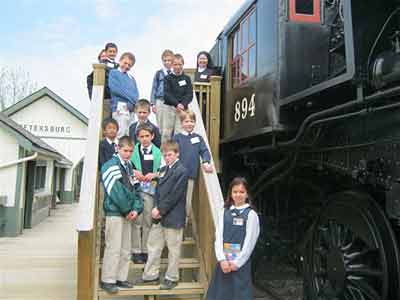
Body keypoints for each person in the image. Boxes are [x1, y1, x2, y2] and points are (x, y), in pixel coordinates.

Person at [137, 141, 188, 290]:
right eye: (165, 155)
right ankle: (150, 275)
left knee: (173, 249)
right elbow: (157, 191)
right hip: (159, 215)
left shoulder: (182, 171)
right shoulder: (164, 169)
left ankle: (172, 277)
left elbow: (175, 195)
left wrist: (160, 209)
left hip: (173, 216)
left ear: (177, 154)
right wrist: (155, 208)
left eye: (170, 154)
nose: (167, 157)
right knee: (153, 245)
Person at [100, 136, 144, 294]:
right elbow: (115, 192)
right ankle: (108, 280)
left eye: (131, 151)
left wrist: (136, 209)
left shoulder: (130, 166)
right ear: (118, 148)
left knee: (126, 248)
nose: (128, 154)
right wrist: (127, 210)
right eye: (125, 150)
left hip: (128, 214)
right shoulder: (110, 165)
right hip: (115, 213)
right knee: (113, 248)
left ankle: (120, 278)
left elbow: (137, 190)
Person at [206, 177, 260, 300]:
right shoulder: (224, 211)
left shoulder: (251, 215)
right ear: (230, 194)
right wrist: (221, 259)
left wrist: (237, 263)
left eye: (242, 192)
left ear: (247, 194)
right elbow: (218, 237)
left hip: (240, 265)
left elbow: (250, 243)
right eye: (235, 192)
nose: (238, 195)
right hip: (224, 264)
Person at [130, 124, 162, 264]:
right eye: (141, 136)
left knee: (148, 221)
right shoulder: (133, 151)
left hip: (150, 189)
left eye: (147, 136)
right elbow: (125, 165)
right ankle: (136, 251)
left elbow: (163, 171)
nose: (144, 139)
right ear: (137, 137)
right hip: (136, 189)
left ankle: (145, 250)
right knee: (137, 221)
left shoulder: (157, 152)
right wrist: (133, 171)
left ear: (152, 136)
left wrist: (153, 174)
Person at [172, 110, 213, 221]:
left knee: (187, 203)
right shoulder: (177, 138)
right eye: (186, 121)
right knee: (176, 200)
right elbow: (171, 155)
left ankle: (183, 226)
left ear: (195, 122)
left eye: (192, 121)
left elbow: (204, 151)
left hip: (190, 176)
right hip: (177, 176)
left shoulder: (198, 138)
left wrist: (205, 162)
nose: (189, 123)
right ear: (181, 123)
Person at [163, 53, 193, 140]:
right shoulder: (167, 78)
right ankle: (165, 152)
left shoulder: (187, 78)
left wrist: (183, 104)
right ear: (172, 65)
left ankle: (178, 152)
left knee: (179, 132)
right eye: (175, 64)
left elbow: (189, 94)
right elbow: (167, 94)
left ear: (183, 64)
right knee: (166, 133)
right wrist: (176, 104)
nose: (177, 66)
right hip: (170, 108)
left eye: (180, 64)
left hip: (183, 109)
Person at [109, 52, 139, 137]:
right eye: (125, 63)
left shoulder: (131, 78)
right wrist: (131, 99)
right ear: (120, 61)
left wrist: (133, 102)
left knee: (131, 134)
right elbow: (116, 89)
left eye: (129, 65)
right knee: (121, 133)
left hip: (131, 109)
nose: (126, 66)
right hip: (120, 108)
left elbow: (136, 94)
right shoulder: (114, 73)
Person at [150, 49, 174, 143]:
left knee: (169, 127)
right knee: (161, 127)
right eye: (165, 60)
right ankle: (162, 147)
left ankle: (168, 148)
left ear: (172, 61)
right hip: (160, 101)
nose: (167, 62)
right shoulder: (159, 73)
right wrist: (153, 104)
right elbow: (154, 88)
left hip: (171, 102)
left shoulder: (175, 73)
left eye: (169, 60)